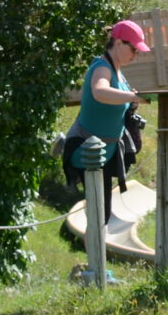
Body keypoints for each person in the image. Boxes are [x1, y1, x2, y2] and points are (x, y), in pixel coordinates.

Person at [61, 20, 148, 227]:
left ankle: (97, 255)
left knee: (103, 214)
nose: (135, 55)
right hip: (87, 149)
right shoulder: (102, 67)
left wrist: (130, 99)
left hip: (106, 151)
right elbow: (100, 91)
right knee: (99, 213)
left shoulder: (118, 71)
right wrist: (131, 97)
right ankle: (95, 256)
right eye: (133, 49)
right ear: (118, 43)